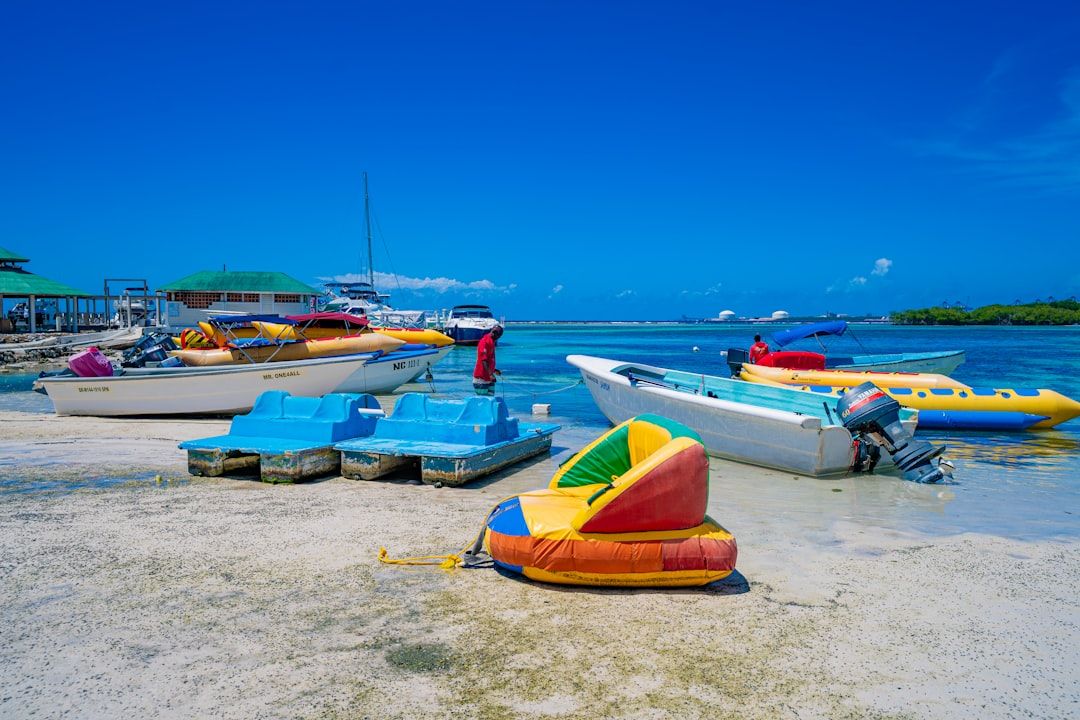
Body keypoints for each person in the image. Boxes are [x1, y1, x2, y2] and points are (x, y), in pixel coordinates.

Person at [473, 325, 504, 395]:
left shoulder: (492, 342)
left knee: (490, 398)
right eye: (499, 336)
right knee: (483, 400)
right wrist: (490, 374)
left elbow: (489, 360)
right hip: (481, 379)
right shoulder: (484, 342)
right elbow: (484, 360)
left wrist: (494, 370)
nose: (499, 338)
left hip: (489, 378)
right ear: (494, 333)